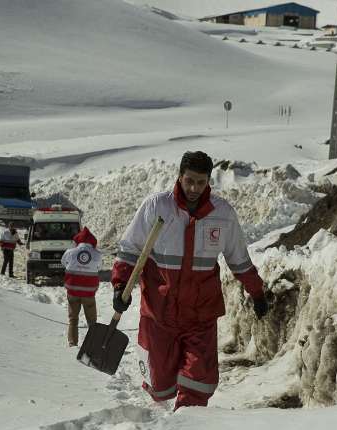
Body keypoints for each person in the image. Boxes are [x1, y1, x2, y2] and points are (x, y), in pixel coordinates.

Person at [111, 151, 269, 410]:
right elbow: (130, 250)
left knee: (198, 383)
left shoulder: (223, 214)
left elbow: (239, 259)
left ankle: (187, 422)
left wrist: (257, 292)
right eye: (189, 181)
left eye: (201, 182)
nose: (194, 188)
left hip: (200, 316)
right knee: (159, 385)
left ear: (209, 181)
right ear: (180, 177)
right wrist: (120, 285)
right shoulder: (157, 207)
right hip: (159, 314)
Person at [61, 227, 102, 347]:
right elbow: (99, 267)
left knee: (73, 319)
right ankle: (93, 343)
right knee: (92, 321)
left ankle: (72, 342)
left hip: (72, 292)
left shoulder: (70, 252)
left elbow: (63, 262)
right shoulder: (97, 254)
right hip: (89, 293)